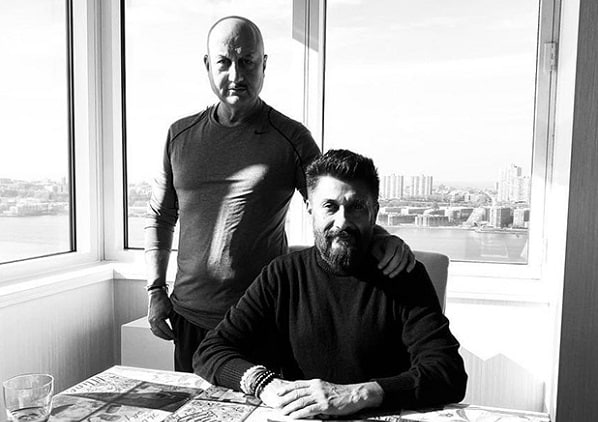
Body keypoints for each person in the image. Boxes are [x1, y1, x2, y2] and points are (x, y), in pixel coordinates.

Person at [144, 16, 415, 372]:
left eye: (248, 61)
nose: (236, 75)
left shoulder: (290, 137)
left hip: (260, 318)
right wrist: (155, 290)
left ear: (264, 64)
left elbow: (332, 202)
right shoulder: (179, 135)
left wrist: (381, 237)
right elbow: (161, 217)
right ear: (208, 65)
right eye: (224, 62)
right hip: (189, 317)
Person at [194, 149, 467, 419]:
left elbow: (448, 373)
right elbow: (211, 351)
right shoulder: (282, 274)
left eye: (357, 207)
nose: (342, 222)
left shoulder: (404, 276)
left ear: (374, 212)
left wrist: (358, 395)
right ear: (310, 208)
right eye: (330, 206)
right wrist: (265, 384)